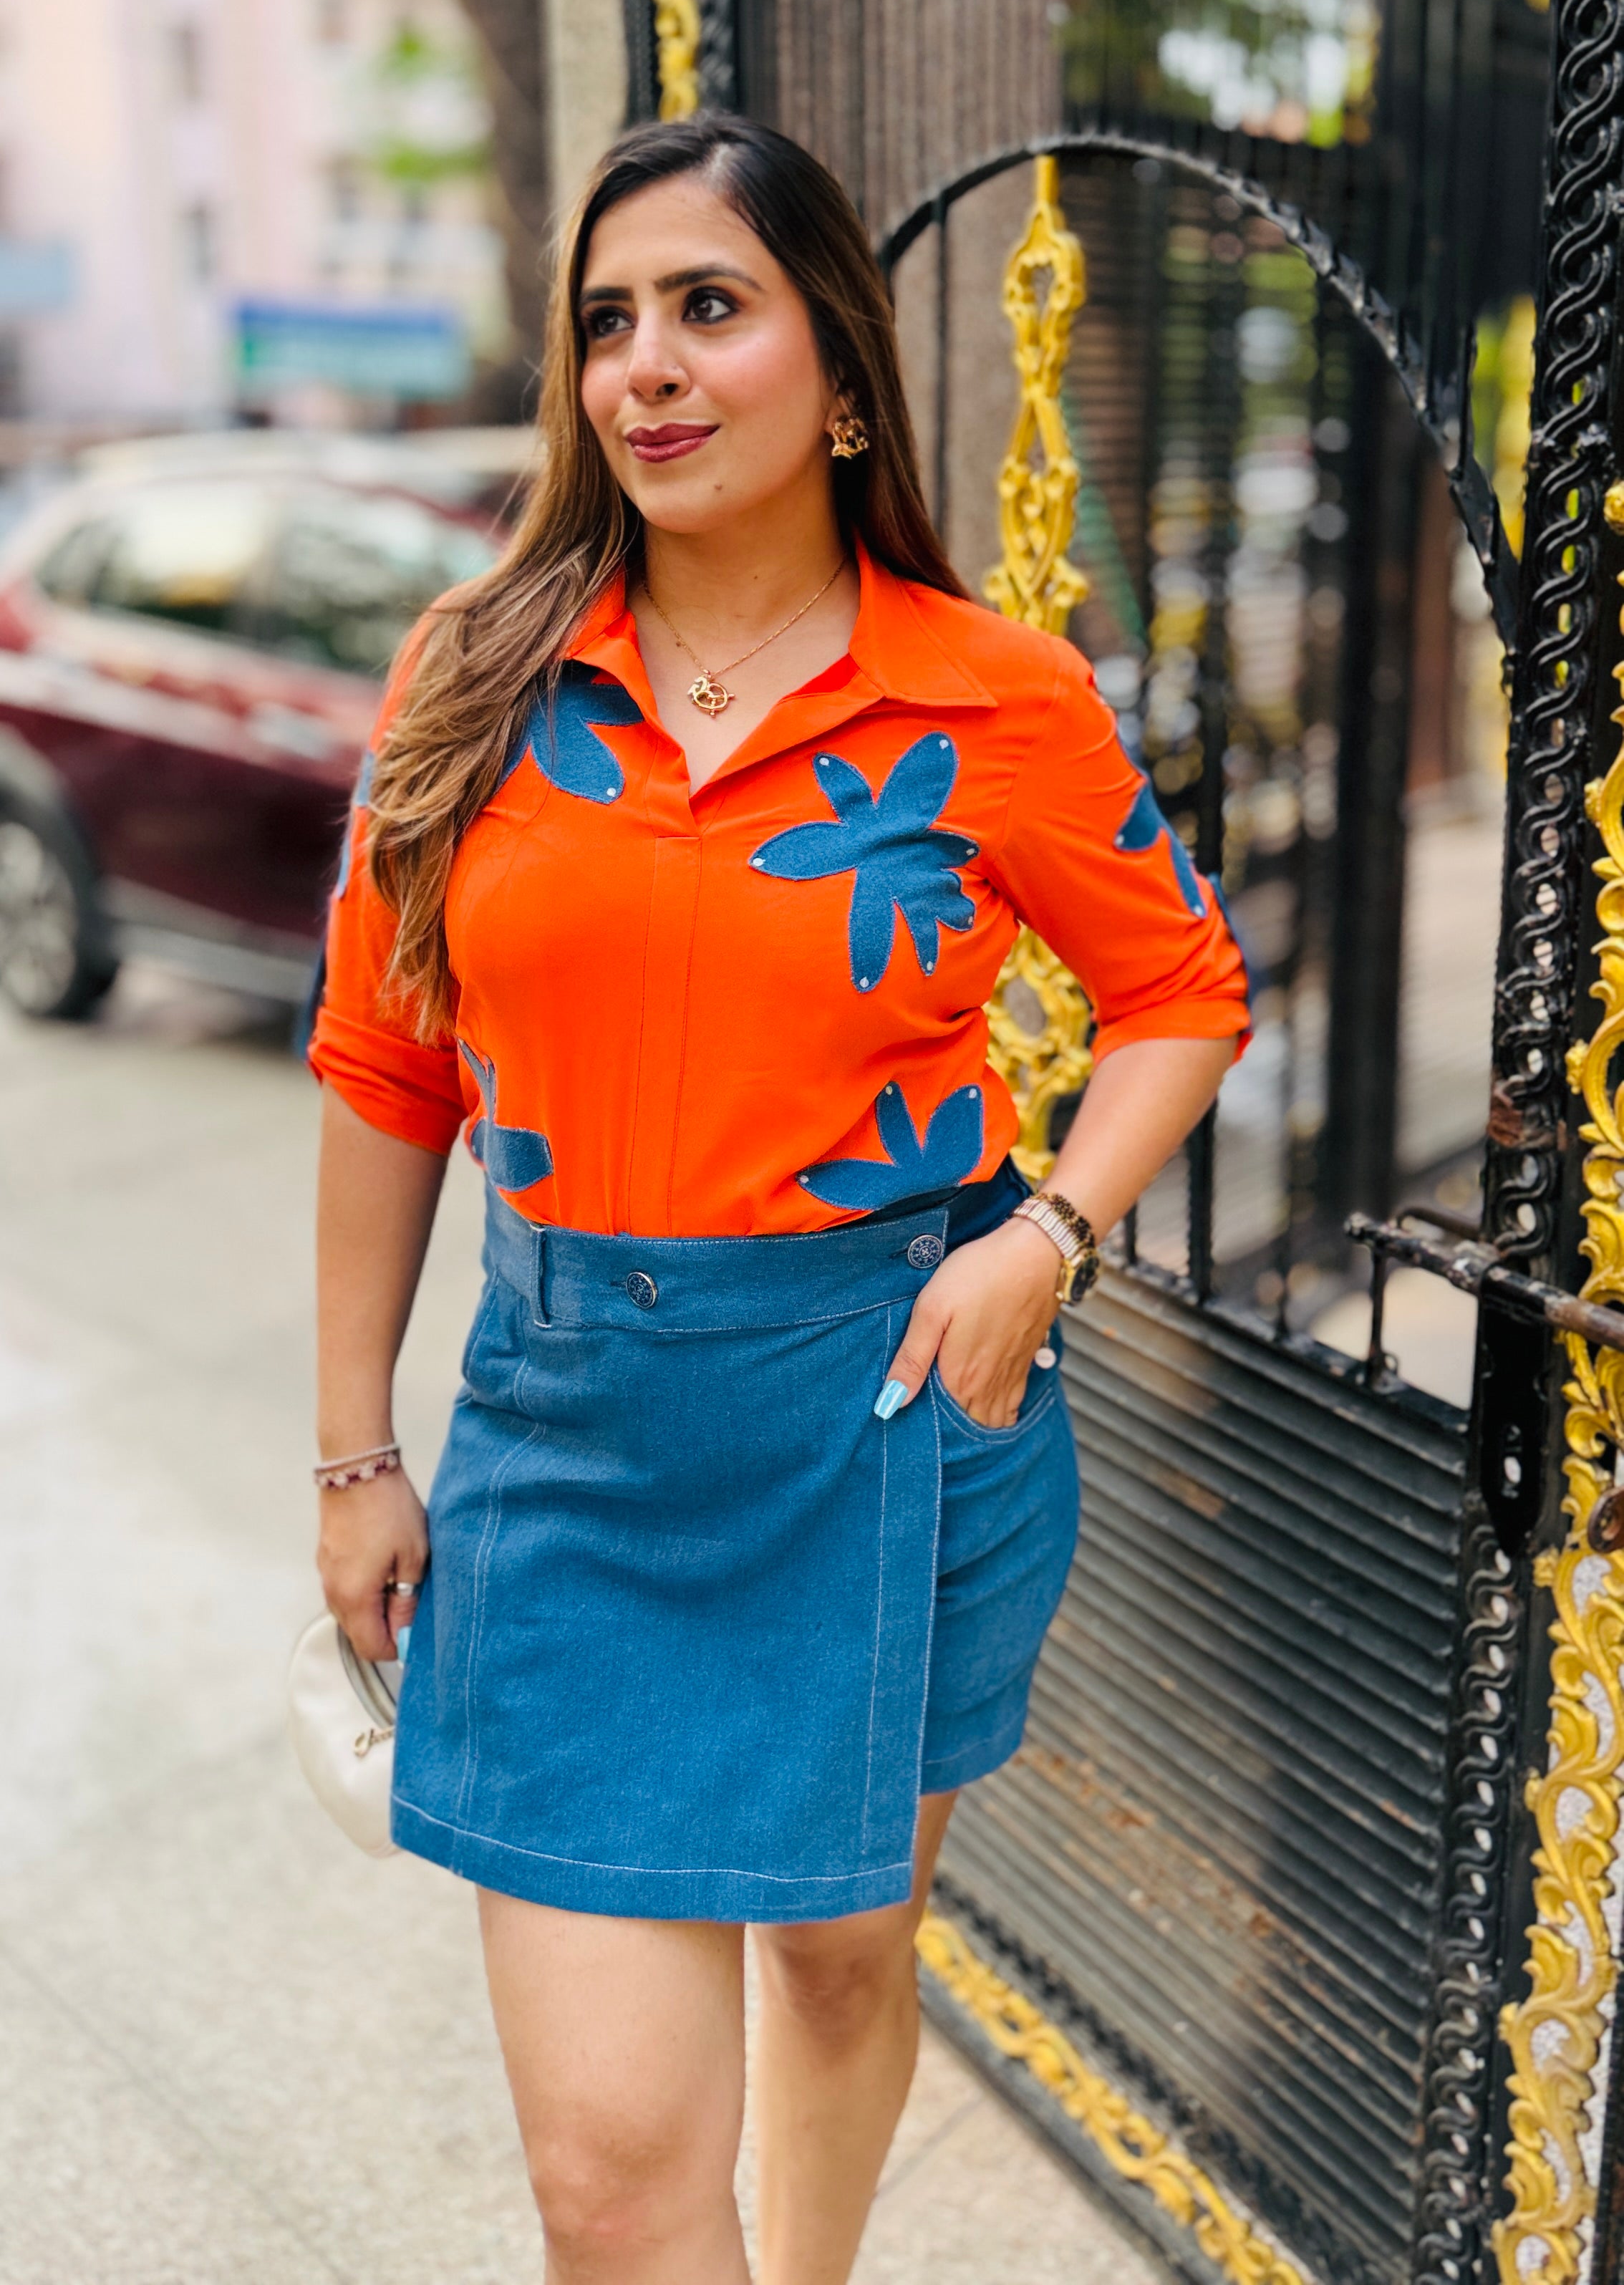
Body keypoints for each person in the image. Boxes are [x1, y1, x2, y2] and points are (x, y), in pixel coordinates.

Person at [310, 114, 1249, 2285]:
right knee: (611, 2184)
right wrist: (356, 1443)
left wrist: (1051, 1235)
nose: (643, 362)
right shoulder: (473, 672)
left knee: (841, 1957)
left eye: (706, 307)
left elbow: (1179, 991)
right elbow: (383, 1062)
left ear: (838, 374)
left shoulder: (991, 692)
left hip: (894, 1414)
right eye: (606, 321)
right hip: (568, 1435)